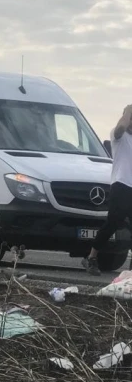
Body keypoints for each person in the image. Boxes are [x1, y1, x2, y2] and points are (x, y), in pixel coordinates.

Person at [83, 105, 132, 275]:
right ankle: (91, 257)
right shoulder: (118, 136)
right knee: (113, 223)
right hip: (121, 185)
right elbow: (121, 127)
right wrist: (128, 111)